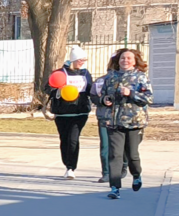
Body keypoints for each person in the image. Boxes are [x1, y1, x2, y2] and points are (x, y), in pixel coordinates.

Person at [99, 48, 153, 200]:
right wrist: (104, 100)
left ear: (135, 61)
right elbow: (102, 95)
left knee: (132, 154)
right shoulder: (110, 77)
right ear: (118, 60)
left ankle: (136, 175)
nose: (125, 61)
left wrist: (131, 94)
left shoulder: (140, 77)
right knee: (115, 154)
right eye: (123, 58)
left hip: (134, 121)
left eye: (129, 58)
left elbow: (148, 98)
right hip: (114, 121)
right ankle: (115, 187)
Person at [49, 46, 93, 180]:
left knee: (73, 139)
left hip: (80, 113)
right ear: (73, 59)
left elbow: (91, 90)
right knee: (64, 139)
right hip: (62, 113)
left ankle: (71, 168)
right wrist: (58, 90)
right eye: (80, 59)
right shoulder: (60, 73)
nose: (83, 62)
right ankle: (67, 164)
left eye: (84, 59)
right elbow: (48, 88)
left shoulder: (85, 74)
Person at [91, 64, 128, 184]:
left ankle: (123, 165)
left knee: (122, 146)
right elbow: (93, 96)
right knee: (105, 146)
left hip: (122, 117)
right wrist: (102, 100)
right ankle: (106, 173)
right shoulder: (101, 80)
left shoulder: (128, 79)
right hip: (105, 117)